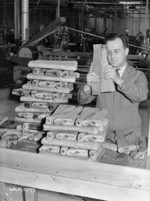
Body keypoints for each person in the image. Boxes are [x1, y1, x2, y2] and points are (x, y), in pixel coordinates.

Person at [78, 34, 148, 159]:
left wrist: (118, 80)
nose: (112, 56)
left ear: (126, 51)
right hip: (102, 137)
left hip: (130, 141)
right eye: (109, 52)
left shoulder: (137, 75)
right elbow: (83, 100)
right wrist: (87, 87)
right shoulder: (101, 74)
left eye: (116, 51)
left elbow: (141, 95)